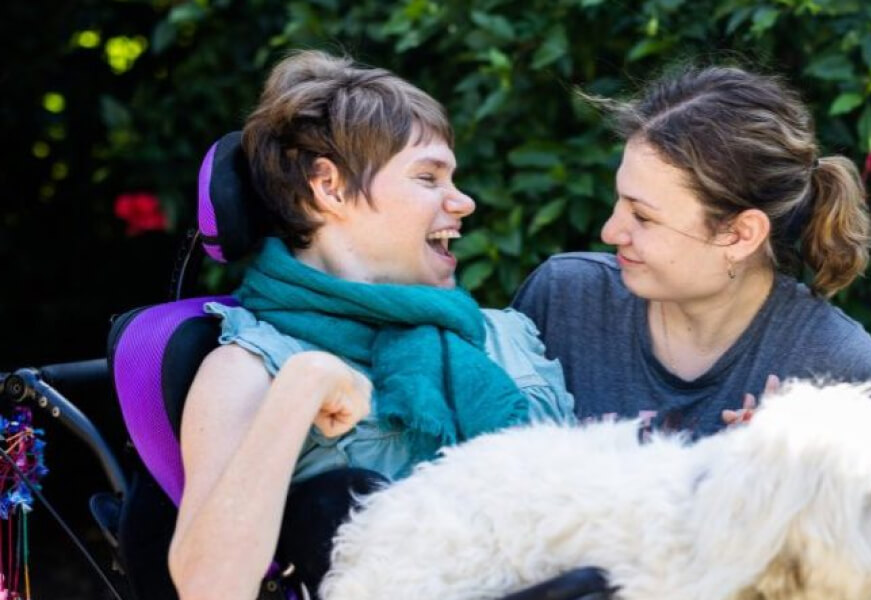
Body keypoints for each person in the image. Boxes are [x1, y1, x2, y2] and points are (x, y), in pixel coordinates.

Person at [512, 65, 871, 599]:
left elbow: (867, 574)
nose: (610, 230)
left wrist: (778, 498)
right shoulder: (564, 299)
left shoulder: (831, 366)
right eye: (619, 200)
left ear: (740, 234)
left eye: (643, 217)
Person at [167, 50, 573, 600]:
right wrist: (304, 385)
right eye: (428, 177)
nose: (463, 202)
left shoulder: (508, 334)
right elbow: (208, 588)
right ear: (329, 188)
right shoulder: (252, 367)